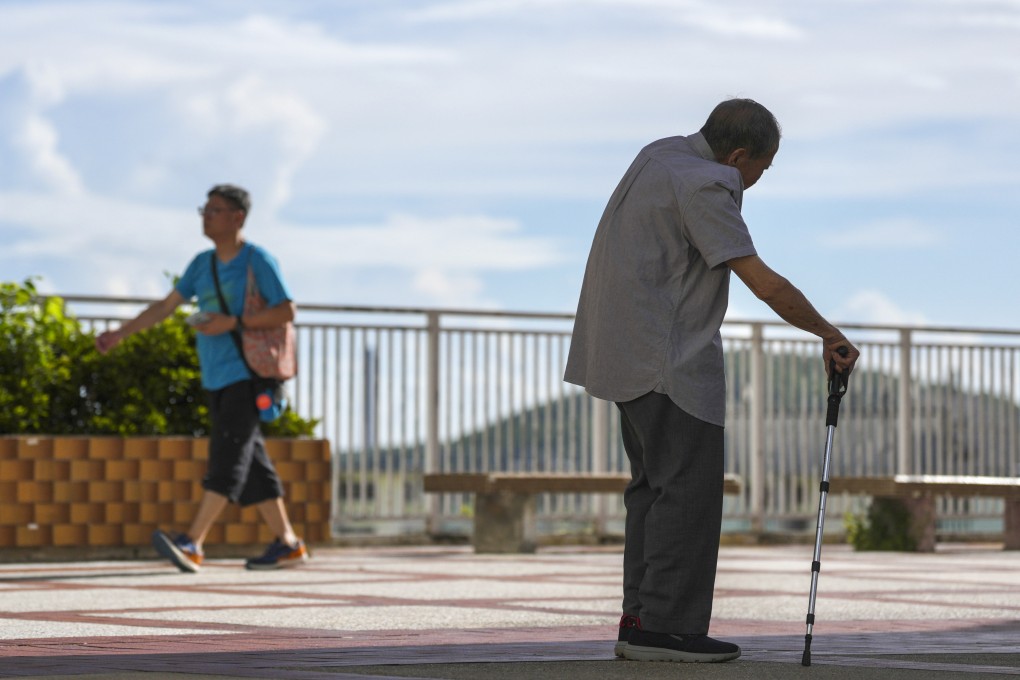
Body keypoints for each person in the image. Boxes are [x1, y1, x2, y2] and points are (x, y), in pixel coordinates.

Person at [564, 99, 859, 663]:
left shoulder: (658, 157)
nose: (753, 182)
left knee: (651, 493)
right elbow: (763, 283)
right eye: (760, 171)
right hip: (668, 362)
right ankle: (669, 629)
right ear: (740, 154)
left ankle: (641, 620)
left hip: (623, 354)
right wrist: (828, 333)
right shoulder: (707, 184)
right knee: (688, 497)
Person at [96, 184, 309, 573]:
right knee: (253, 463)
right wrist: (119, 334)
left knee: (229, 457)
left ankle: (193, 542)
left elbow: (286, 310)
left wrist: (235, 322)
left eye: (214, 210)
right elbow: (165, 307)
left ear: (237, 217)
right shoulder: (201, 264)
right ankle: (288, 543)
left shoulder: (256, 261)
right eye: (204, 210)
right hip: (217, 376)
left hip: (249, 374)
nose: (205, 216)